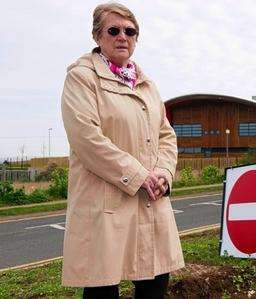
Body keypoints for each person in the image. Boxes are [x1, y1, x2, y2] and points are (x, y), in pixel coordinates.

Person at [60, 3, 184, 298]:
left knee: (155, 284)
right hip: (106, 205)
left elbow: (166, 135)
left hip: (150, 201)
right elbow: (86, 138)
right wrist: (138, 175)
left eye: (130, 31)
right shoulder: (81, 78)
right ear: (97, 36)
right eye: (113, 30)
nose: (122, 37)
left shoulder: (147, 85)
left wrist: (164, 174)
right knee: (102, 287)